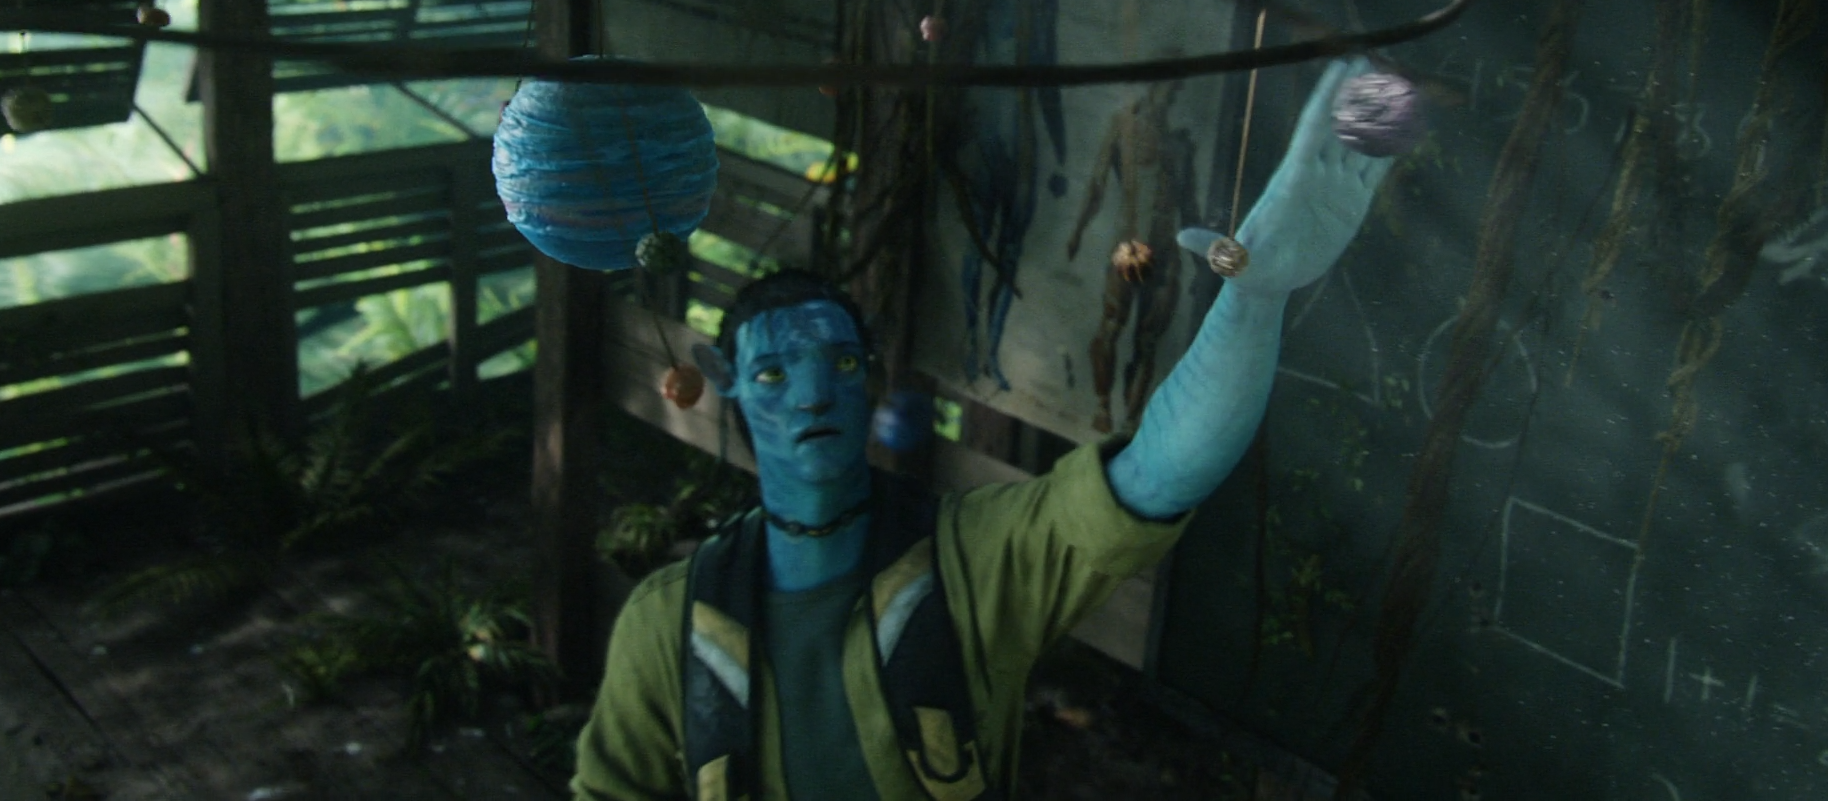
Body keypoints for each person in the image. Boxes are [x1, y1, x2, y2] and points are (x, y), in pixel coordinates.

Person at [573, 59, 1396, 800]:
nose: (814, 396)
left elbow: (1156, 474)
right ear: (726, 384)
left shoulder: (971, 560)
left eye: (842, 364)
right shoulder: (666, 623)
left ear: (872, 379)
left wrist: (1256, 299)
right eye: (773, 375)